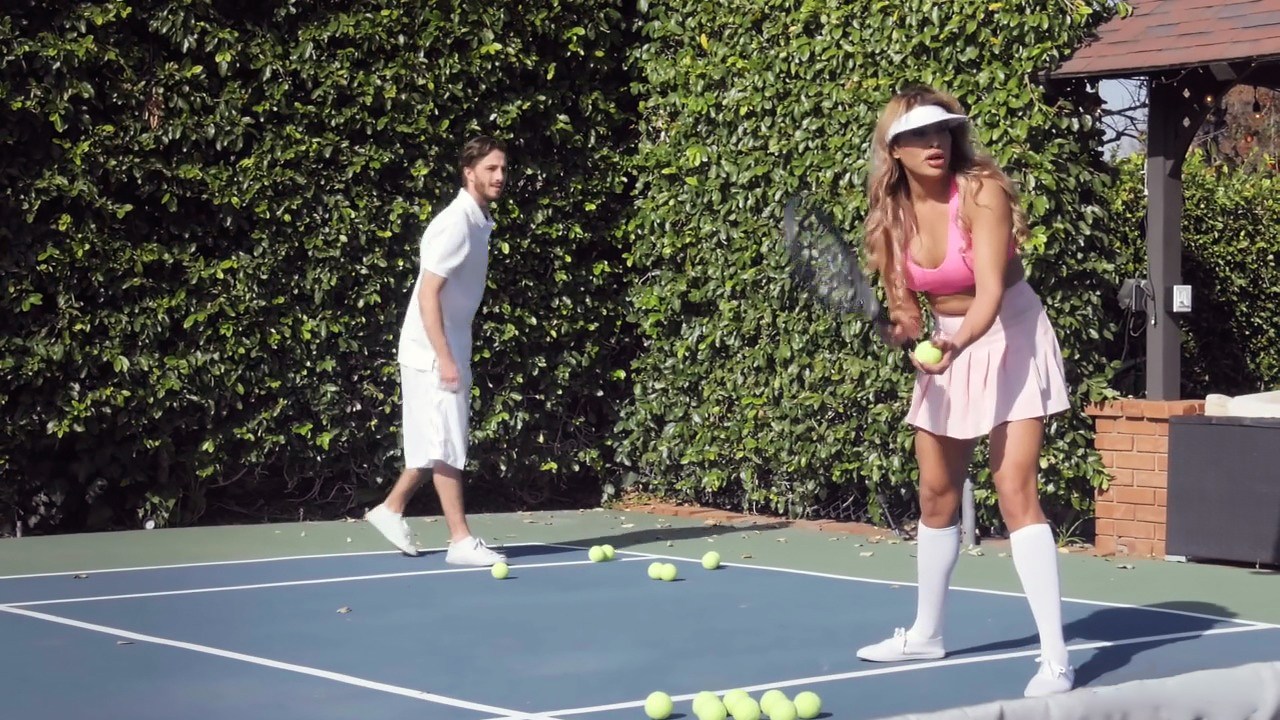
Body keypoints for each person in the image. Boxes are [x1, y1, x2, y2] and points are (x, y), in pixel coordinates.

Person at [855, 85, 1075, 697]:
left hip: (1011, 334)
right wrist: (906, 331)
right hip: (950, 342)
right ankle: (927, 634)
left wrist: (956, 345)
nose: (936, 144)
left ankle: (1056, 658)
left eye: (943, 131)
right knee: (935, 494)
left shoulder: (982, 192)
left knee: (1015, 489)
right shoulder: (891, 214)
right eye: (919, 135)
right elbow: (905, 305)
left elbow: (991, 294)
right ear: (894, 149)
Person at [364, 135, 509, 567]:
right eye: (490, 169)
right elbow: (428, 294)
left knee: (436, 440)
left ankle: (390, 509)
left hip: (446, 345)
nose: (500, 176)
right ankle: (459, 540)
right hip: (432, 351)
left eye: (503, 169)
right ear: (469, 172)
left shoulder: (478, 221)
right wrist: (444, 357)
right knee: (446, 442)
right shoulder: (456, 224)